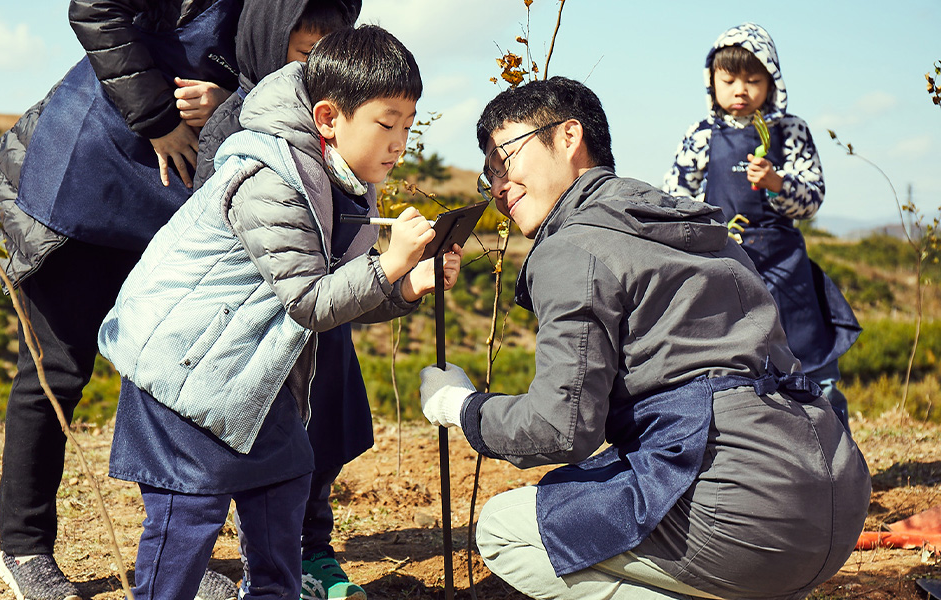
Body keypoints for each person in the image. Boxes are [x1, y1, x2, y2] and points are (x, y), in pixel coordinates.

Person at [419, 76, 870, 599]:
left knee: (504, 529)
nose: (498, 186)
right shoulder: (693, 226)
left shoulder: (574, 247)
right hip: (833, 498)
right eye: (488, 173)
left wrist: (461, 406)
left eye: (506, 158)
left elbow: (560, 429)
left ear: (569, 137)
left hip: (740, 517)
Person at [0, 1, 355, 598]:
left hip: (176, 194)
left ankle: (173, 555)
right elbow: (94, 8)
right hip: (89, 171)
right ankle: (25, 549)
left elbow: (288, 67)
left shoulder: (292, 19)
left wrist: (231, 99)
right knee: (55, 370)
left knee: (171, 366)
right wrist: (158, 116)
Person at [96, 25, 460, 600]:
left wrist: (407, 284)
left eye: (408, 126)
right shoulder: (272, 177)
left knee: (285, 484)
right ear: (327, 117)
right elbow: (311, 302)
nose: (399, 143)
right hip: (188, 370)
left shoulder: (344, 177)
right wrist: (389, 264)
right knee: (189, 516)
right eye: (386, 124)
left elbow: (338, 292)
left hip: (252, 371)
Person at [193, 3, 378, 599]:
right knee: (264, 459)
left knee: (323, 433)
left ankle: (314, 549)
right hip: (265, 320)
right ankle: (253, 564)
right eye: (304, 56)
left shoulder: (339, 126)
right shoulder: (238, 122)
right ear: (270, 41)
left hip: (326, 310)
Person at [662, 22, 861, 429]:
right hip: (726, 266)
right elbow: (676, 198)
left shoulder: (791, 132)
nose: (740, 90)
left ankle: (839, 467)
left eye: (753, 80)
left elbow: (811, 199)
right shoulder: (700, 135)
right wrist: (710, 227)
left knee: (813, 368)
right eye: (729, 80)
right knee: (738, 369)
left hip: (787, 268)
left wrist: (776, 182)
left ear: (772, 82)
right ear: (711, 81)